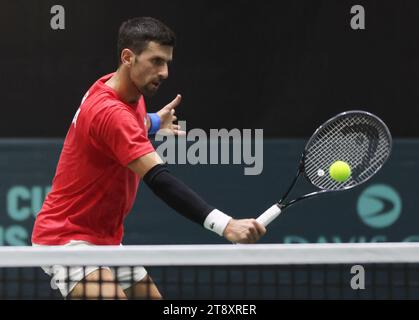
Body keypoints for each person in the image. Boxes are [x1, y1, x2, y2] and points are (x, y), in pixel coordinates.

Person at [31, 16, 266, 300]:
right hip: (66, 238)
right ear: (128, 57)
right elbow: (159, 180)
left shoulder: (119, 88)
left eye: (167, 62)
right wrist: (226, 224)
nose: (164, 71)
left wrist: (154, 122)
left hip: (106, 240)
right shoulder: (110, 112)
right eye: (156, 61)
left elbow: (129, 125)